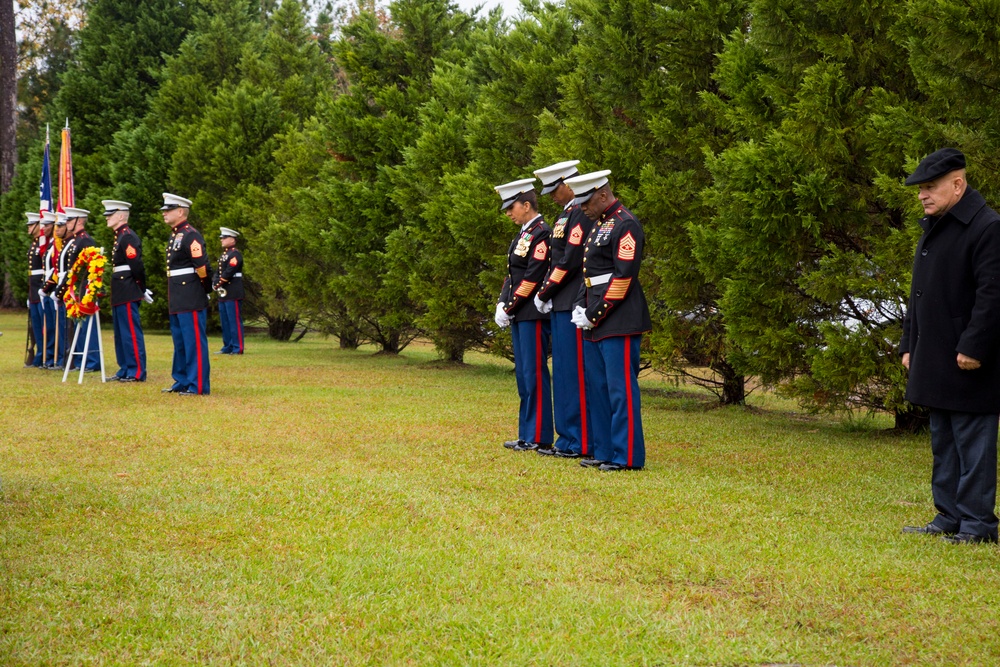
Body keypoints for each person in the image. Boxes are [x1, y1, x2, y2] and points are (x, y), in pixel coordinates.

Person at [899, 148, 1000, 545]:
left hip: (970, 358)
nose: (923, 195)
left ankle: (978, 526)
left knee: (973, 444)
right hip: (935, 353)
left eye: (930, 187)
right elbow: (918, 293)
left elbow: (994, 295)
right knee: (943, 440)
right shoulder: (935, 226)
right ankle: (950, 517)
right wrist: (909, 343)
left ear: (958, 185)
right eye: (921, 189)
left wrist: (974, 347)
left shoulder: (987, 227)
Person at [565, 170, 651, 472]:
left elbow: (624, 276)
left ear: (603, 194)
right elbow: (588, 274)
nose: (583, 207)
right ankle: (603, 450)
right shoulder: (600, 223)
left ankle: (626, 456)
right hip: (593, 317)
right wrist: (580, 307)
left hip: (619, 318)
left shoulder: (625, 224)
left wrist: (595, 313)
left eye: (587, 201)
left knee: (620, 389)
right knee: (598, 387)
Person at [532, 160, 593, 459]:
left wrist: (545, 290)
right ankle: (566, 438)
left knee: (574, 374)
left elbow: (569, 261)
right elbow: (556, 259)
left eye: (556, 189)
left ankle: (580, 439)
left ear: (570, 184)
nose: (553, 196)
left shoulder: (581, 213)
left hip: (571, 300)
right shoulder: (564, 215)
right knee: (564, 375)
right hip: (560, 302)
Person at [494, 178, 554, 452]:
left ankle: (538, 435)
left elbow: (533, 276)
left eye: (511, 208)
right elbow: (513, 274)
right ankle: (526, 432)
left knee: (534, 373)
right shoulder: (525, 233)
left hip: (531, 312)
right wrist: (501, 302)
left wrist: (511, 305)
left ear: (526, 205)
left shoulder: (542, 232)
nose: (508, 213)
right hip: (520, 312)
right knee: (524, 374)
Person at [161, 193, 211, 395]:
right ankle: (181, 380)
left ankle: (197, 384)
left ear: (180, 211)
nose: (164, 213)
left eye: (168, 209)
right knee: (180, 341)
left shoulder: (191, 235)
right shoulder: (175, 234)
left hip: (190, 294)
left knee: (193, 342)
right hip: (178, 294)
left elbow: (202, 267)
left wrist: (205, 289)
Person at [104, 200, 150, 382]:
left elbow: (136, 265)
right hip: (120, 289)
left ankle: (136, 370)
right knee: (121, 332)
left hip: (128, 287)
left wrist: (141, 288)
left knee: (130, 331)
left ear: (121, 216)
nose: (107, 218)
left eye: (111, 214)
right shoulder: (120, 236)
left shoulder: (128, 236)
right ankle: (124, 367)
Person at [57, 207, 101, 372]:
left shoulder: (85, 240)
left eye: (70, 220)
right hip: (75, 290)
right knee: (78, 327)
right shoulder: (75, 241)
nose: (67, 223)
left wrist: (89, 292)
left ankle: (92, 361)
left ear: (80, 221)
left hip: (84, 289)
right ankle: (82, 359)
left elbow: (91, 268)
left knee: (87, 327)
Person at [43, 212, 71, 369]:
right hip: (56, 287)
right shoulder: (57, 245)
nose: (56, 229)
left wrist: (57, 290)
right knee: (58, 327)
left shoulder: (69, 243)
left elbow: (67, 270)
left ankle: (64, 359)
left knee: (65, 327)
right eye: (56, 225)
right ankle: (58, 358)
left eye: (60, 226)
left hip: (65, 288)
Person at [214, 227, 245, 355]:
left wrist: (219, 283)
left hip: (232, 290)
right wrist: (215, 282)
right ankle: (228, 345)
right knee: (225, 321)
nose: (221, 240)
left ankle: (238, 347)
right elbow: (218, 271)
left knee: (234, 320)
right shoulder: (224, 255)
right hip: (224, 291)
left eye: (224, 238)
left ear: (232, 240)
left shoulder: (235, 254)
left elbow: (229, 271)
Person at [38, 211, 58, 368]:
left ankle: (55, 357)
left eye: (47, 225)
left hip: (54, 287)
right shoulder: (49, 244)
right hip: (47, 287)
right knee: (49, 326)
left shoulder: (57, 245)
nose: (43, 228)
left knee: (55, 326)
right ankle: (49, 357)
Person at [25, 212, 45, 368]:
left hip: (41, 287)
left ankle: (44, 354)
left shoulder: (44, 244)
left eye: (32, 225)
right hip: (33, 288)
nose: (29, 228)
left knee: (44, 324)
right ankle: (38, 354)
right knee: (36, 325)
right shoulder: (34, 244)